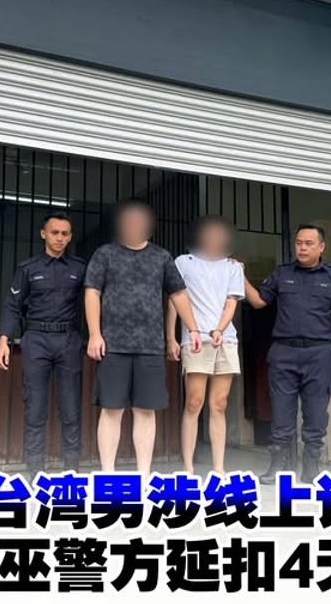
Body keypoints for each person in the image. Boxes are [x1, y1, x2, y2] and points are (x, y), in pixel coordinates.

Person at [84, 199, 203, 474]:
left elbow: (178, 294)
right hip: (113, 345)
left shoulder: (161, 257)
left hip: (150, 347)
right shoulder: (105, 254)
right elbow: (92, 292)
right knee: (111, 410)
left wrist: (193, 328)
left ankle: (144, 475)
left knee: (145, 411)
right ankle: (108, 473)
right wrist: (94, 334)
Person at [241, 223, 331, 484]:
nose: (302, 248)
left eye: (308, 243)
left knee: (316, 413)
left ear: (321, 247)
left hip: (319, 353)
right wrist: (241, 276)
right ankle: (278, 466)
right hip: (284, 352)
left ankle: (311, 467)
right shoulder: (282, 274)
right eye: (298, 243)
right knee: (281, 412)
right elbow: (259, 301)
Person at [0, 212, 88, 477]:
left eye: (65, 234)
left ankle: (72, 470)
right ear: (43, 233)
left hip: (69, 340)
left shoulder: (80, 268)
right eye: (55, 232)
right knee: (35, 407)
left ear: (70, 237)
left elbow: (95, 300)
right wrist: (3, 340)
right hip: (36, 340)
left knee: (70, 408)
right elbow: (12, 306)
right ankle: (36, 471)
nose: (59, 238)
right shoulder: (28, 268)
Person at [165, 215, 244, 476]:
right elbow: (175, 300)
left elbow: (231, 302)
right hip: (195, 339)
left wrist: (220, 329)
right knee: (194, 402)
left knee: (219, 403)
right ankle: (188, 467)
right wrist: (171, 337)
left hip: (226, 339)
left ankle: (219, 467)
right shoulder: (183, 262)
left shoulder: (233, 267)